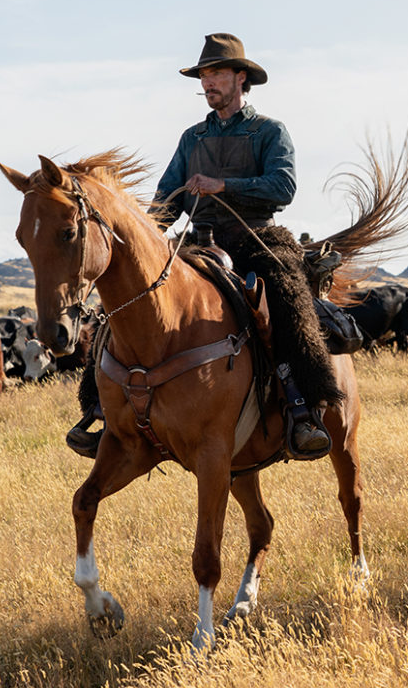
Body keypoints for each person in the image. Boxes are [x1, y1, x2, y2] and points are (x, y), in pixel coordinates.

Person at [67, 32, 334, 457]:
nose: (208, 83)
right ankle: (100, 410)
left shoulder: (269, 131)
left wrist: (222, 185)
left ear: (240, 78)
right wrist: (147, 237)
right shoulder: (191, 138)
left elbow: (283, 186)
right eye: (203, 76)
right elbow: (165, 200)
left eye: (216, 74)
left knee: (286, 298)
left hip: (256, 237)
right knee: (123, 303)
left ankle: (303, 408)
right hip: (198, 243)